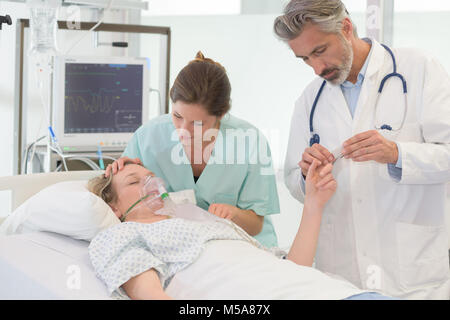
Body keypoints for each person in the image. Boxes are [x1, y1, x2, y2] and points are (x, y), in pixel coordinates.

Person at [274, 0, 450, 299]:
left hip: (411, 269)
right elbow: (294, 181)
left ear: (345, 27)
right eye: (304, 59)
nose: (317, 68)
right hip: (341, 270)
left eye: (319, 51)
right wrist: (307, 174)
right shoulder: (310, 100)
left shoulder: (417, 68)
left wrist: (397, 154)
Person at [88, 161, 394, 300]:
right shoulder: (121, 235)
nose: (150, 184)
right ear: (114, 208)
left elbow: (293, 269)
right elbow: (150, 296)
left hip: (332, 293)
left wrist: (314, 202)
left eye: (151, 176)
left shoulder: (211, 227)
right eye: (133, 182)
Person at [105, 52, 280, 247]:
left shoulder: (249, 142)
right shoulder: (148, 137)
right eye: (177, 116)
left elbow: (256, 225)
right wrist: (118, 172)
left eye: (197, 123)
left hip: (242, 247)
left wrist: (235, 214)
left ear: (221, 114)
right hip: (177, 247)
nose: (183, 132)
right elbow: (117, 204)